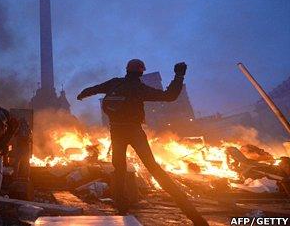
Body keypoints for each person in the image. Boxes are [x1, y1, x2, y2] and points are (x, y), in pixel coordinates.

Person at [77, 59, 207, 226]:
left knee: (119, 170)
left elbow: (93, 89)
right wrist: (179, 76)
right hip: (135, 132)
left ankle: (122, 210)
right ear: (141, 72)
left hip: (116, 132)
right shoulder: (139, 88)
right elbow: (169, 96)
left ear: (127, 70)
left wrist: (82, 94)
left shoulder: (115, 83)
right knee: (154, 169)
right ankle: (195, 217)